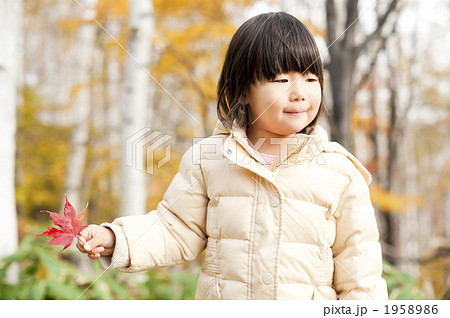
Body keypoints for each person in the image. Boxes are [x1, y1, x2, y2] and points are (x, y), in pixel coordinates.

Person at [76, 11, 388, 300]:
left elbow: (361, 274)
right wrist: (119, 239)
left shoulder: (339, 171)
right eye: (281, 80)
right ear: (242, 91)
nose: (299, 92)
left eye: (311, 78)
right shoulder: (209, 159)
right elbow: (175, 227)